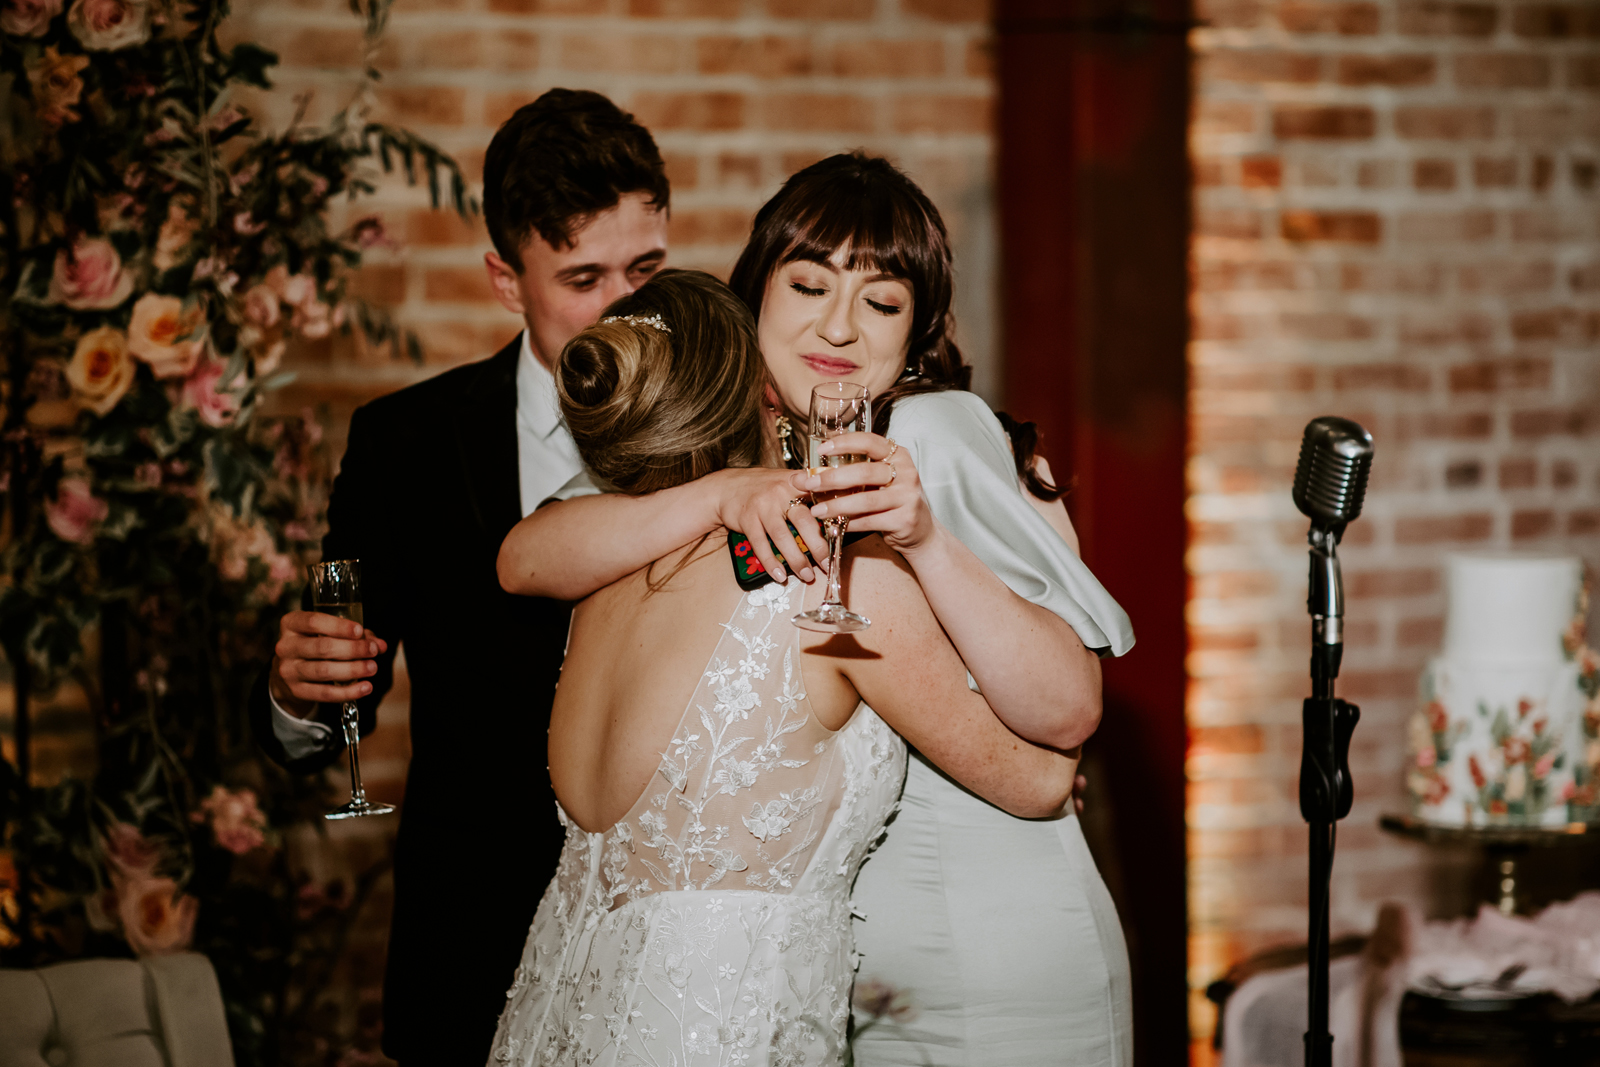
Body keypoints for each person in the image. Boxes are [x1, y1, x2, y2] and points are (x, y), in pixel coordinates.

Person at [498, 153, 1136, 1066]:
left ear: (917, 333)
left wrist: (924, 541)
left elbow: (1065, 713)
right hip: (832, 978)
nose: (839, 325)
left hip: (980, 945)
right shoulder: (715, 453)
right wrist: (726, 492)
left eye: (882, 303)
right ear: (752, 295)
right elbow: (528, 554)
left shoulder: (929, 433)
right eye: (807, 286)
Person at [246, 89, 670, 1065]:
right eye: (583, 277)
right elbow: (328, 718)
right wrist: (296, 693)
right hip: (473, 936)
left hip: (666, 937)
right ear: (504, 280)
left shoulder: (726, 431)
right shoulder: (405, 445)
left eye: (645, 268)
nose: (624, 307)